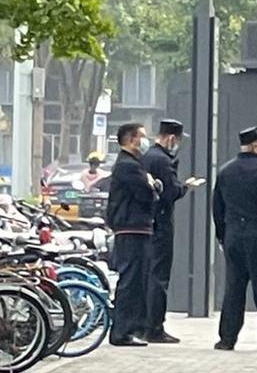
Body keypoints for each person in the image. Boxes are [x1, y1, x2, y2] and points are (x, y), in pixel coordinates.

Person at [212, 127, 257, 352]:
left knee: (234, 288)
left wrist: (223, 236)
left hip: (234, 236)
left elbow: (218, 208)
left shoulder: (225, 171)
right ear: (256, 145)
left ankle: (227, 338)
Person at [141, 119, 203, 344]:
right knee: (159, 275)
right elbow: (170, 192)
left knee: (148, 273)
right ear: (170, 138)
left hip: (148, 221)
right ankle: (155, 327)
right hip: (162, 221)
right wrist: (186, 187)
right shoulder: (163, 161)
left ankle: (143, 323)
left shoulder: (147, 157)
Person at [106, 122, 159, 347]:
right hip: (131, 228)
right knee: (131, 280)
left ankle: (130, 328)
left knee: (137, 280)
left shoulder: (133, 164)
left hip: (136, 227)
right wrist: (155, 187)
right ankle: (121, 331)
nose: (145, 141)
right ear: (130, 139)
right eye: (142, 137)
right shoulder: (128, 166)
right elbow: (147, 193)